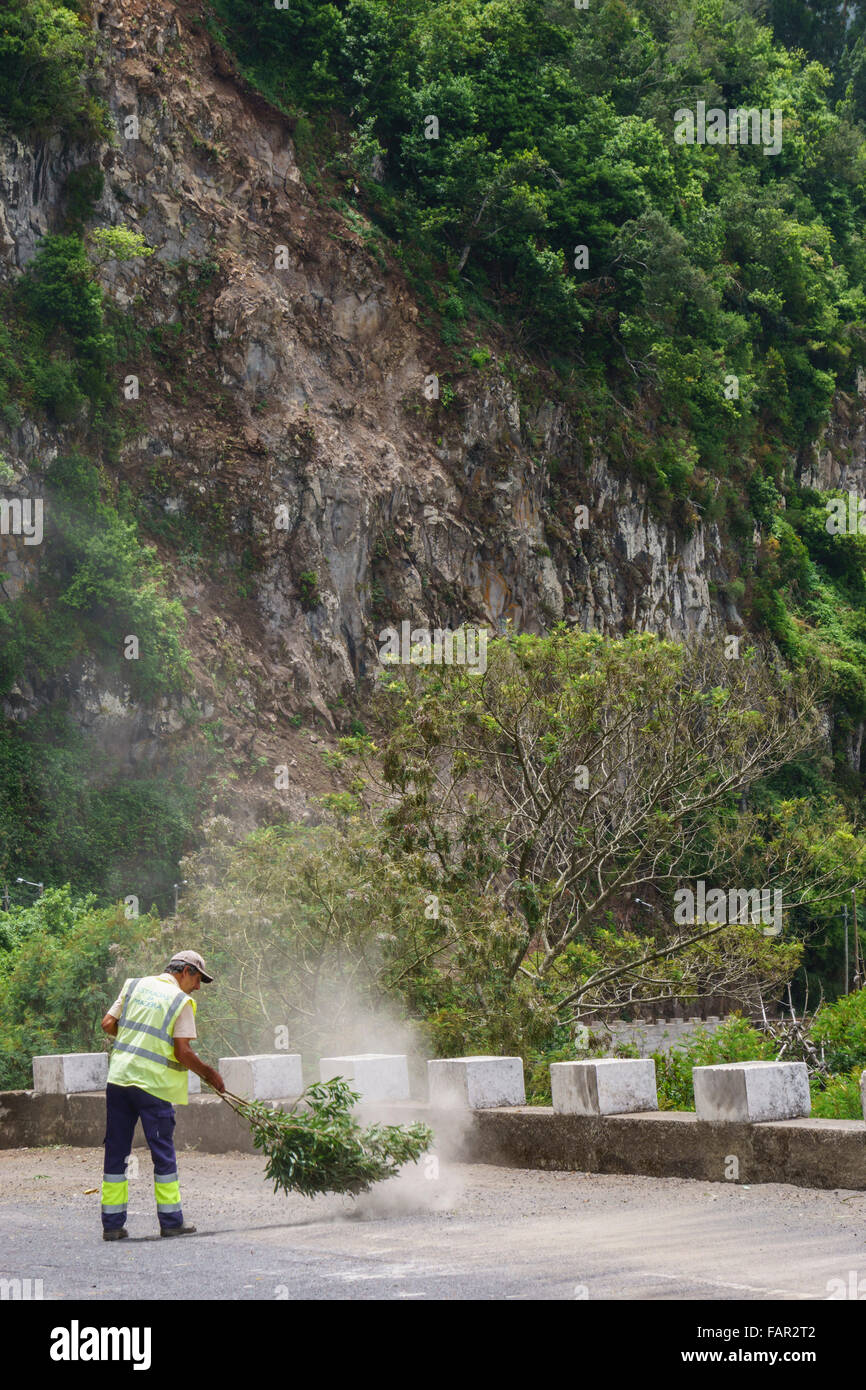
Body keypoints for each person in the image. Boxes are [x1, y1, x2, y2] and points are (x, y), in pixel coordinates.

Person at [99, 950, 225, 1242]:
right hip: (152, 1086)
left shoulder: (134, 985)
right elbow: (183, 1052)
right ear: (185, 972)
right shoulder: (180, 1001)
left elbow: (107, 1024)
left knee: (116, 1152)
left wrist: (133, 1040)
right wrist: (210, 1075)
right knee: (162, 1154)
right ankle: (171, 1222)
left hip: (118, 1080)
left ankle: (112, 1226)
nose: (197, 988)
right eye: (198, 980)